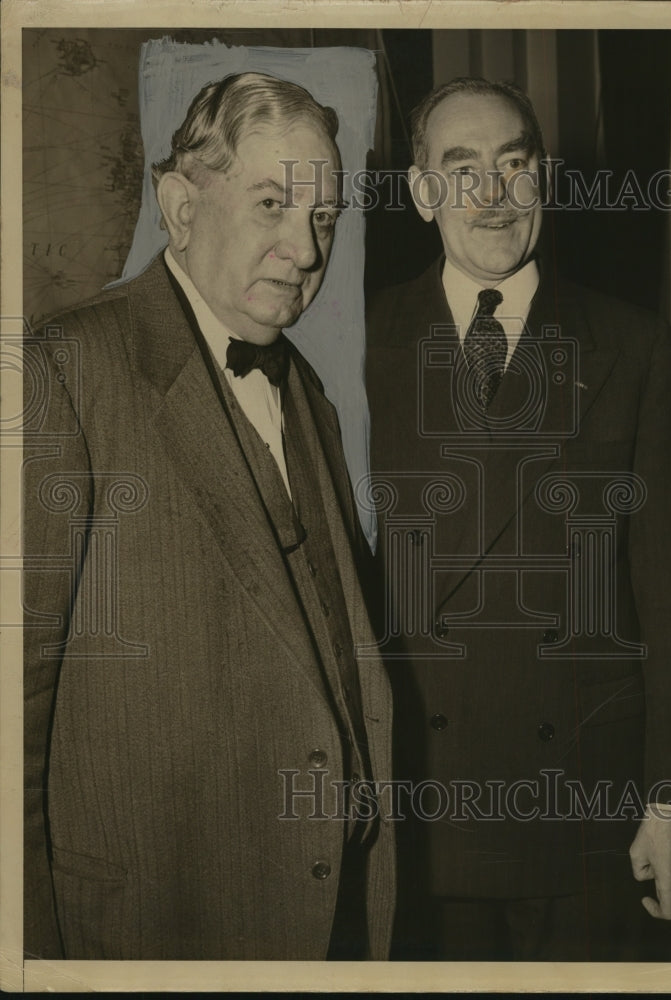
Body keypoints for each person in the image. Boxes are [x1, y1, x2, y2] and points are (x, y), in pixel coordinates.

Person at [24, 71, 394, 961]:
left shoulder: (308, 391)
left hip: (319, 916)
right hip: (147, 924)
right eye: (272, 204)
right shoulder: (64, 368)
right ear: (181, 208)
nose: (304, 249)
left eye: (324, 216)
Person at [366, 77, 671, 961]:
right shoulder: (355, 345)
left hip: (584, 803)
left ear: (544, 179)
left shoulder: (632, 345)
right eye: (462, 169)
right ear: (422, 192)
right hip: (418, 802)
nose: (493, 194)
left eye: (514, 165)